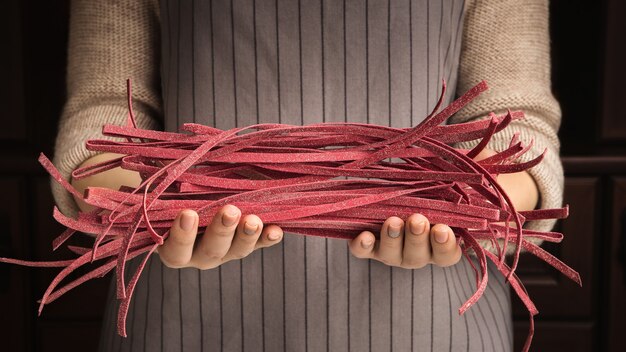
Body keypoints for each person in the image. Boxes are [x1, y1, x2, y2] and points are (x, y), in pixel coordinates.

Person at [52, 0, 562, 350]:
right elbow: (105, 119)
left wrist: (471, 212)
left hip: (433, 319)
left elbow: (519, 126)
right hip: (182, 315)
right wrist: (140, 211)